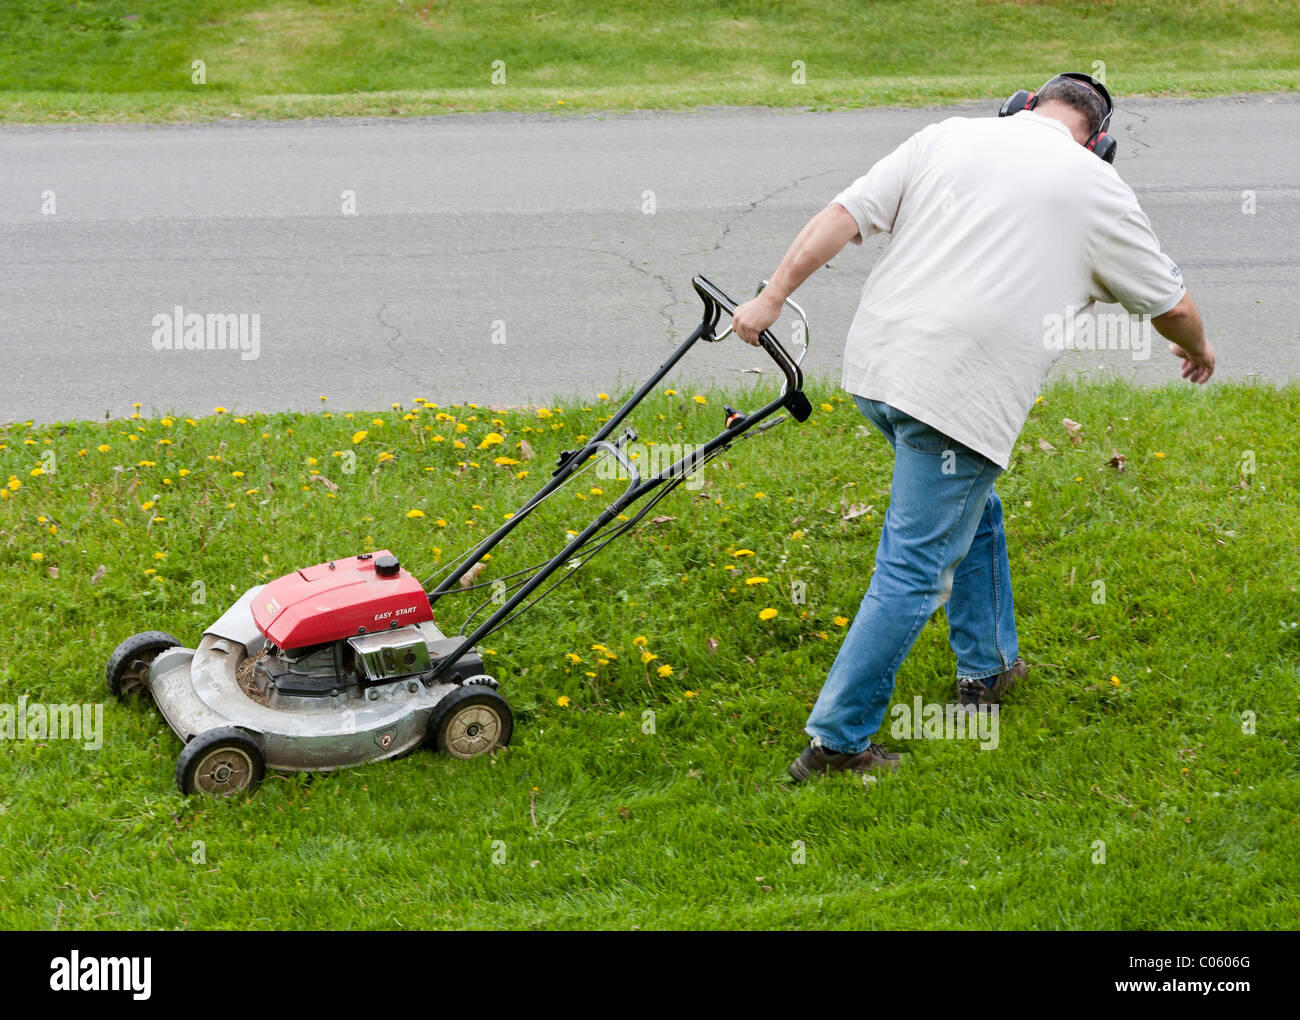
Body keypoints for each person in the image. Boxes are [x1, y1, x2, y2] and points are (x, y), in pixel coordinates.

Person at [729, 73, 1216, 782]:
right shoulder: (1097, 188)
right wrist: (1198, 348)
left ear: (1021, 106)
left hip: (879, 372)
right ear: (1101, 142)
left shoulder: (947, 136)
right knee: (913, 567)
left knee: (972, 506)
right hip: (955, 397)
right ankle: (836, 745)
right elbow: (1170, 302)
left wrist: (773, 296)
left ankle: (986, 669)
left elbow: (843, 214)